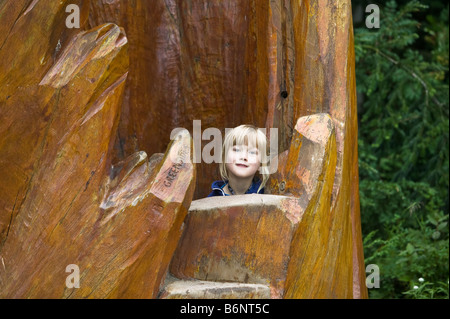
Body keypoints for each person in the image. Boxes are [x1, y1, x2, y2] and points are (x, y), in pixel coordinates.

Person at [208, 124, 269, 197]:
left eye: (252, 152)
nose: (243, 157)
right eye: (237, 150)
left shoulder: (267, 194)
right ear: (224, 157)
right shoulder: (214, 198)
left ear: (261, 164)